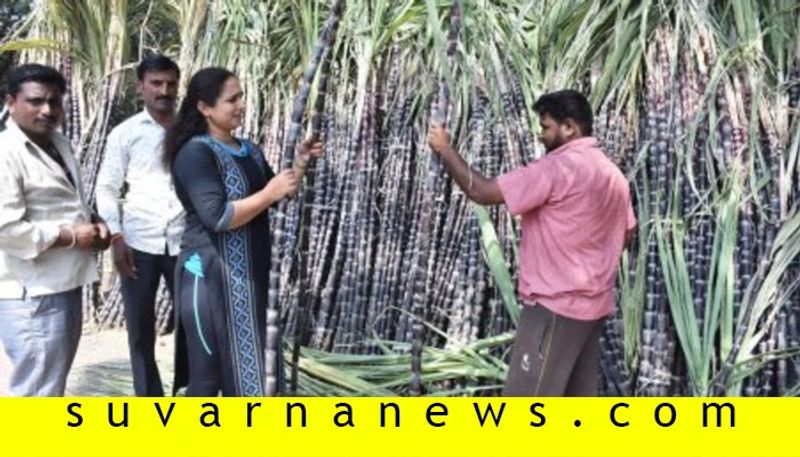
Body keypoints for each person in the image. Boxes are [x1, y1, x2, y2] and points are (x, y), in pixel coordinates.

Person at [428, 89, 636, 396]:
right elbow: (627, 233)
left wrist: (445, 149)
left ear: (569, 127)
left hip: (554, 311)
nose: (541, 136)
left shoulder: (556, 169)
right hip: (593, 310)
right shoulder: (613, 175)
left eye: (546, 127)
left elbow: (482, 192)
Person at [164, 67, 323, 396]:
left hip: (247, 277)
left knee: (253, 371)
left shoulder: (248, 150)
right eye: (231, 99)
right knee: (206, 378)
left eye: (241, 97)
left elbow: (276, 196)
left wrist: (300, 164)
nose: (241, 105)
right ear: (204, 107)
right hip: (207, 277)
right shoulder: (196, 153)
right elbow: (218, 217)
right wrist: (269, 193)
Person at [0, 64, 111, 396]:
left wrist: (94, 222)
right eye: (35, 101)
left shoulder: (58, 142)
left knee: (50, 384)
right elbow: (5, 228)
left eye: (54, 102)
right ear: (10, 102)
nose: (47, 110)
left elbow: (65, 200)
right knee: (38, 391)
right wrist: (75, 237)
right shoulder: (6, 153)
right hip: (32, 291)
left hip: (62, 282)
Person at [96, 54, 183, 396]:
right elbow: (106, 186)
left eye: (170, 83)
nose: (164, 90)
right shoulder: (125, 133)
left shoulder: (193, 129)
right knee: (139, 330)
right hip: (138, 246)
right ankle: (150, 402)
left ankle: (187, 397)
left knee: (192, 327)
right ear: (141, 87)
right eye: (156, 83)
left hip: (185, 245)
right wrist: (116, 236)